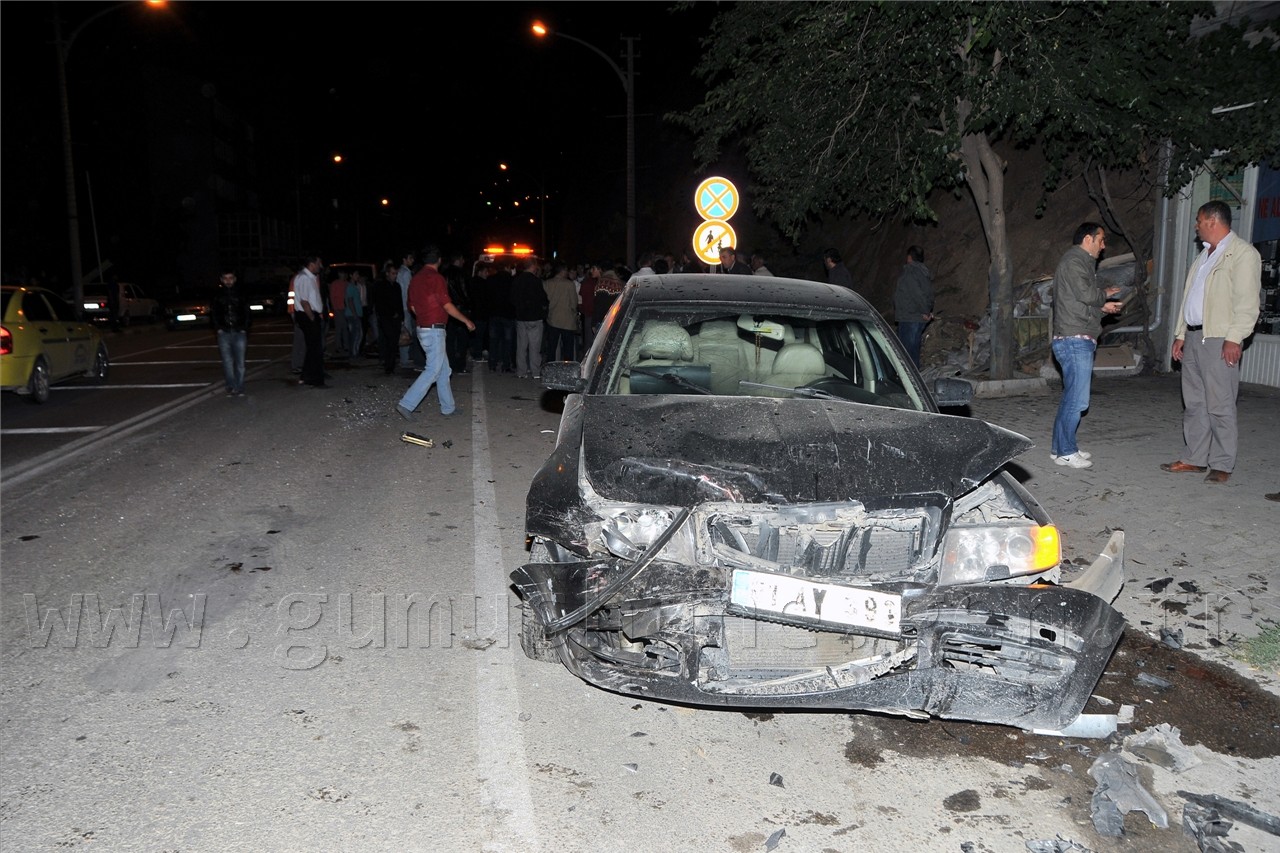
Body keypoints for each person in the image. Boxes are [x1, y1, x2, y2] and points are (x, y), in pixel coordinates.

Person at [1160, 200, 1262, 484]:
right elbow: (1189, 299)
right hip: (1194, 336)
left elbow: (1247, 303)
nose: (1196, 226)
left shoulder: (1242, 254)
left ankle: (1222, 463)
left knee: (1220, 404)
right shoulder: (1205, 255)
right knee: (1194, 403)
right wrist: (1181, 334)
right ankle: (1194, 458)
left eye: (1198, 221)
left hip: (1219, 337)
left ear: (1213, 221)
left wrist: (1234, 338)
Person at [1049, 223, 1122, 469]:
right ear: (1088, 238)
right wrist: (1102, 298)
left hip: (1075, 335)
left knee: (1071, 397)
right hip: (1074, 339)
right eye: (1101, 240)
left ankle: (1060, 449)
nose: (1104, 246)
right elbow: (1086, 294)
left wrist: (1103, 305)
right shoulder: (1074, 261)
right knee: (1078, 400)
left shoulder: (1079, 263)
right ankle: (1067, 451)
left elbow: (1081, 301)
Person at [396, 246, 475, 419]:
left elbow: (413, 307)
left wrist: (425, 317)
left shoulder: (415, 278)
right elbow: (446, 305)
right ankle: (406, 403)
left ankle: (448, 408)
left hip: (423, 328)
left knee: (444, 370)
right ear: (439, 260)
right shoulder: (436, 278)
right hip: (434, 330)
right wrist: (466, 320)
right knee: (432, 370)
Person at [211, 265, 252, 396]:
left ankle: (238, 387)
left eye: (230, 278)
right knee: (227, 362)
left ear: (234, 279)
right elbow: (213, 313)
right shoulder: (217, 295)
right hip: (224, 332)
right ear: (222, 280)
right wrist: (218, 328)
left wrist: (245, 328)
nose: (228, 281)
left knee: (240, 362)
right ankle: (230, 385)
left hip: (239, 332)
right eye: (225, 278)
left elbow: (247, 312)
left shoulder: (241, 293)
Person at [893, 245, 935, 367]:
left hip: (910, 317)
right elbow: (929, 293)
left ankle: (910, 382)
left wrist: (926, 312)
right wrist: (927, 310)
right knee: (912, 351)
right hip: (915, 316)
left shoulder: (911, 272)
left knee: (907, 355)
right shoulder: (923, 272)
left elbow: (917, 295)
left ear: (909, 257)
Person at [292, 254, 328, 387]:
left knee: (313, 348)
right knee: (316, 349)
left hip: (310, 315)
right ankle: (316, 380)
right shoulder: (304, 278)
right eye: (319, 263)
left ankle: (306, 376)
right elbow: (304, 301)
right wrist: (312, 318)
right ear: (312, 264)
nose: (321, 266)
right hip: (307, 315)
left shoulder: (310, 278)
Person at [511, 256, 548, 378]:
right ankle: (535, 371)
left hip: (521, 317)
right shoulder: (536, 281)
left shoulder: (516, 280)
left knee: (521, 346)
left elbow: (513, 298)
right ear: (533, 266)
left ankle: (521, 371)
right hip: (534, 317)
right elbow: (543, 298)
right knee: (534, 346)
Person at [542, 260, 579, 363]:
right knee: (568, 348)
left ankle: (550, 368)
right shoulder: (569, 284)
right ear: (562, 271)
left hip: (552, 319)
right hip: (567, 320)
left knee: (551, 347)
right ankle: (567, 370)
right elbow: (573, 303)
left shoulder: (547, 283)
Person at [442, 253, 471, 374]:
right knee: (462, 339)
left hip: (447, 308)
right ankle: (460, 366)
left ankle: (450, 364)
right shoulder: (461, 273)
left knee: (449, 338)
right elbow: (465, 291)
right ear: (458, 260)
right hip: (460, 309)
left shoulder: (444, 273)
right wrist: (468, 306)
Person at [373, 262, 404, 375]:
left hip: (396, 318)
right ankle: (388, 365)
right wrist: (391, 313)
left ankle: (391, 365)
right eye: (392, 273)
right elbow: (380, 303)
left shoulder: (397, 286)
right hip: (386, 317)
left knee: (394, 341)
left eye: (396, 273)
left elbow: (400, 302)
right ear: (387, 273)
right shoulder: (381, 286)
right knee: (389, 340)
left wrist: (401, 316)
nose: (394, 275)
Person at [487, 261, 517, 372]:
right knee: (508, 341)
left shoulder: (491, 279)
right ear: (507, 267)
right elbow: (514, 298)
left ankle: (492, 364)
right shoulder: (512, 280)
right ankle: (506, 365)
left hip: (494, 313)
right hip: (508, 314)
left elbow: (488, 297)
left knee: (494, 340)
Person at [397, 250, 424, 370]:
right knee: (406, 333)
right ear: (405, 259)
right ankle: (404, 359)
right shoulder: (406, 273)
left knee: (405, 331)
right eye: (410, 258)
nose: (412, 261)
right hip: (405, 306)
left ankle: (405, 358)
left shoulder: (401, 272)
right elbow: (409, 291)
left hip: (402, 305)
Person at [343, 270, 364, 360]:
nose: (357, 276)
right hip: (352, 315)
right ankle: (354, 354)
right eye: (355, 274)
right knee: (357, 335)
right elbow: (350, 300)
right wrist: (355, 313)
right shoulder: (350, 287)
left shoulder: (354, 286)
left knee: (355, 334)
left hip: (354, 314)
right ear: (351, 275)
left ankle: (353, 353)